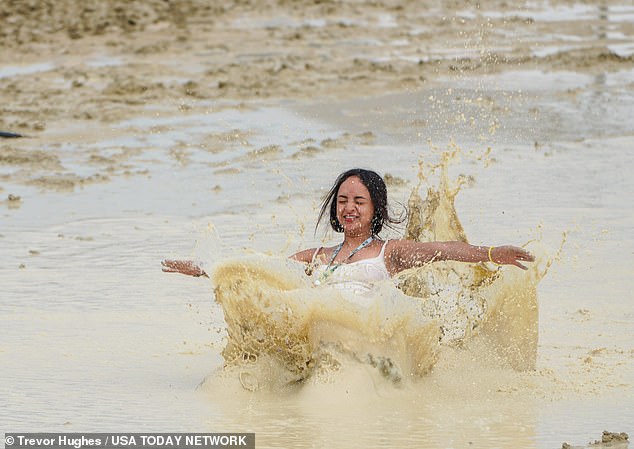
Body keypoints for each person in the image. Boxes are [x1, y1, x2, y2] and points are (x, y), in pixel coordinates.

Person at [161, 168, 534, 284]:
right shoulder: (318, 256)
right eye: (342, 201)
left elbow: (447, 250)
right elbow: (261, 270)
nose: (349, 209)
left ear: (375, 208)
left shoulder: (393, 253)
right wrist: (202, 269)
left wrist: (491, 253)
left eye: (358, 201)